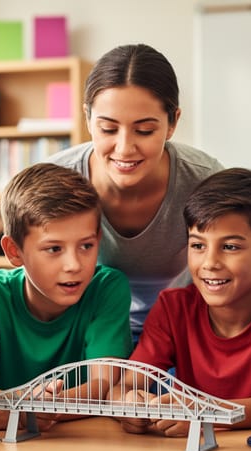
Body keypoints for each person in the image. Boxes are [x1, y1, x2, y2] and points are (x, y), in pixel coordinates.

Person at [115, 168, 251, 437]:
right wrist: (128, 406)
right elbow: (123, 386)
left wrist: (204, 413)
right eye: (198, 246)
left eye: (230, 247)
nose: (210, 263)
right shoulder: (173, 308)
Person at [45, 43, 225, 340]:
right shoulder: (53, 180)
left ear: (173, 123)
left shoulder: (205, 181)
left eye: (144, 131)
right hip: (84, 335)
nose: (125, 148)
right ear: (88, 118)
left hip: (179, 334)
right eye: (108, 129)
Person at [0, 162, 133, 431]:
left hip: (89, 440)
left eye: (86, 246)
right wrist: (15, 407)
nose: (74, 264)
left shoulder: (107, 288)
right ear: (14, 251)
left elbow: (103, 387)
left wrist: (22, 410)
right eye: (54, 249)